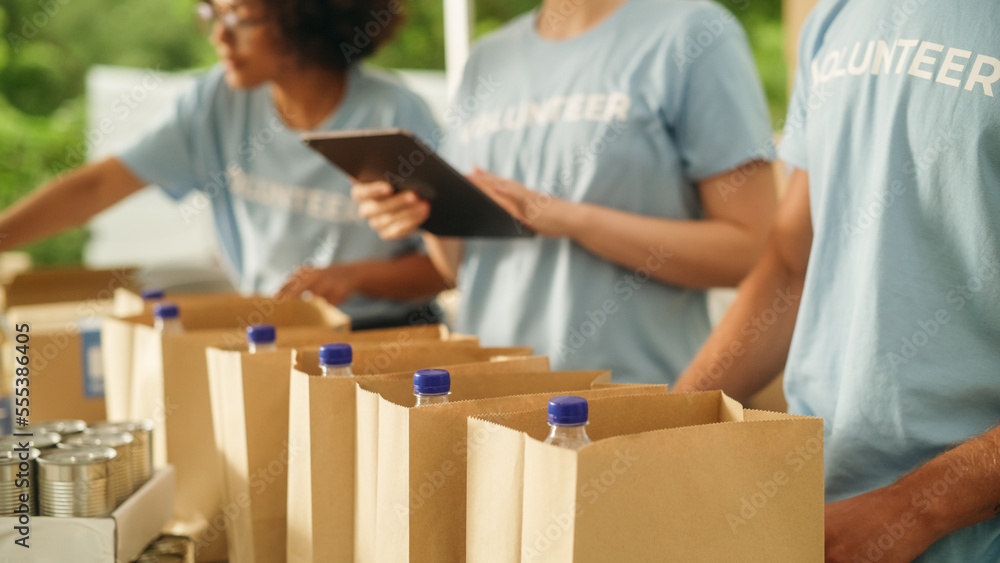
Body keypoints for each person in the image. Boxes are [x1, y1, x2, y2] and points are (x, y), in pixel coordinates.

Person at [673, 0, 1000, 559]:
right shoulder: (835, 16)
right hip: (815, 512)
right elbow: (790, 263)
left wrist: (910, 510)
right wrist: (670, 419)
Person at [353, 0, 778, 383]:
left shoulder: (694, 33)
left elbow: (749, 249)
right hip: (489, 399)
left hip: (633, 407)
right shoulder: (487, 58)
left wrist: (572, 220)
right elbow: (457, 268)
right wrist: (425, 212)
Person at [0, 0, 448, 329]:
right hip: (272, 332)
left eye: (239, 18)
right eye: (212, 15)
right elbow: (96, 187)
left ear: (303, 19)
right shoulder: (215, 102)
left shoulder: (395, 115)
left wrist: (355, 277)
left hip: (389, 339)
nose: (220, 36)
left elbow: (446, 267)